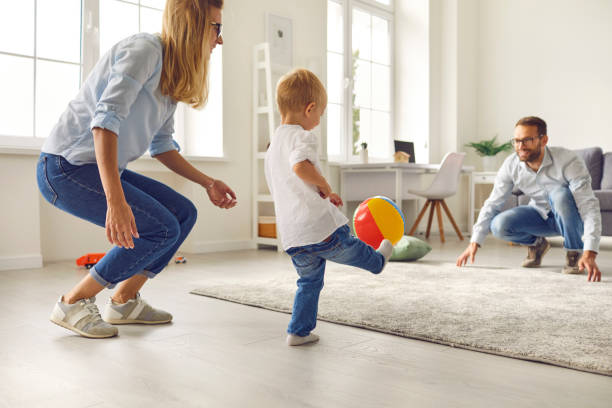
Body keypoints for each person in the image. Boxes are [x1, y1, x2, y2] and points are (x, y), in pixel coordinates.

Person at [37, 0, 236, 339]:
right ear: (194, 24)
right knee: (158, 227)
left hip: (95, 167)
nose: (220, 40)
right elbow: (104, 124)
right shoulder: (145, 50)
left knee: (183, 213)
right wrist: (116, 202)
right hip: (64, 167)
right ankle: (73, 302)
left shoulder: (172, 73)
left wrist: (208, 182)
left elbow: (163, 146)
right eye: (216, 28)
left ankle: (124, 301)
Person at [264, 68, 394, 346]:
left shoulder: (274, 143)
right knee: (347, 242)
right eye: (320, 114)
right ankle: (377, 262)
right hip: (315, 225)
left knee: (308, 283)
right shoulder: (302, 136)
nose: (318, 120)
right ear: (309, 109)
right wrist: (325, 187)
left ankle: (298, 332)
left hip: (292, 236)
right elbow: (300, 166)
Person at [456, 116, 602, 282]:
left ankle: (575, 252)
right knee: (498, 225)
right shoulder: (511, 165)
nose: (520, 146)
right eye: (517, 141)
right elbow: (493, 204)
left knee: (559, 194)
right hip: (540, 214)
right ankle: (538, 244)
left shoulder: (568, 160)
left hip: (572, 220)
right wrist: (474, 242)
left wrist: (590, 251)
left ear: (544, 140)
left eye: (527, 140)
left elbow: (588, 206)